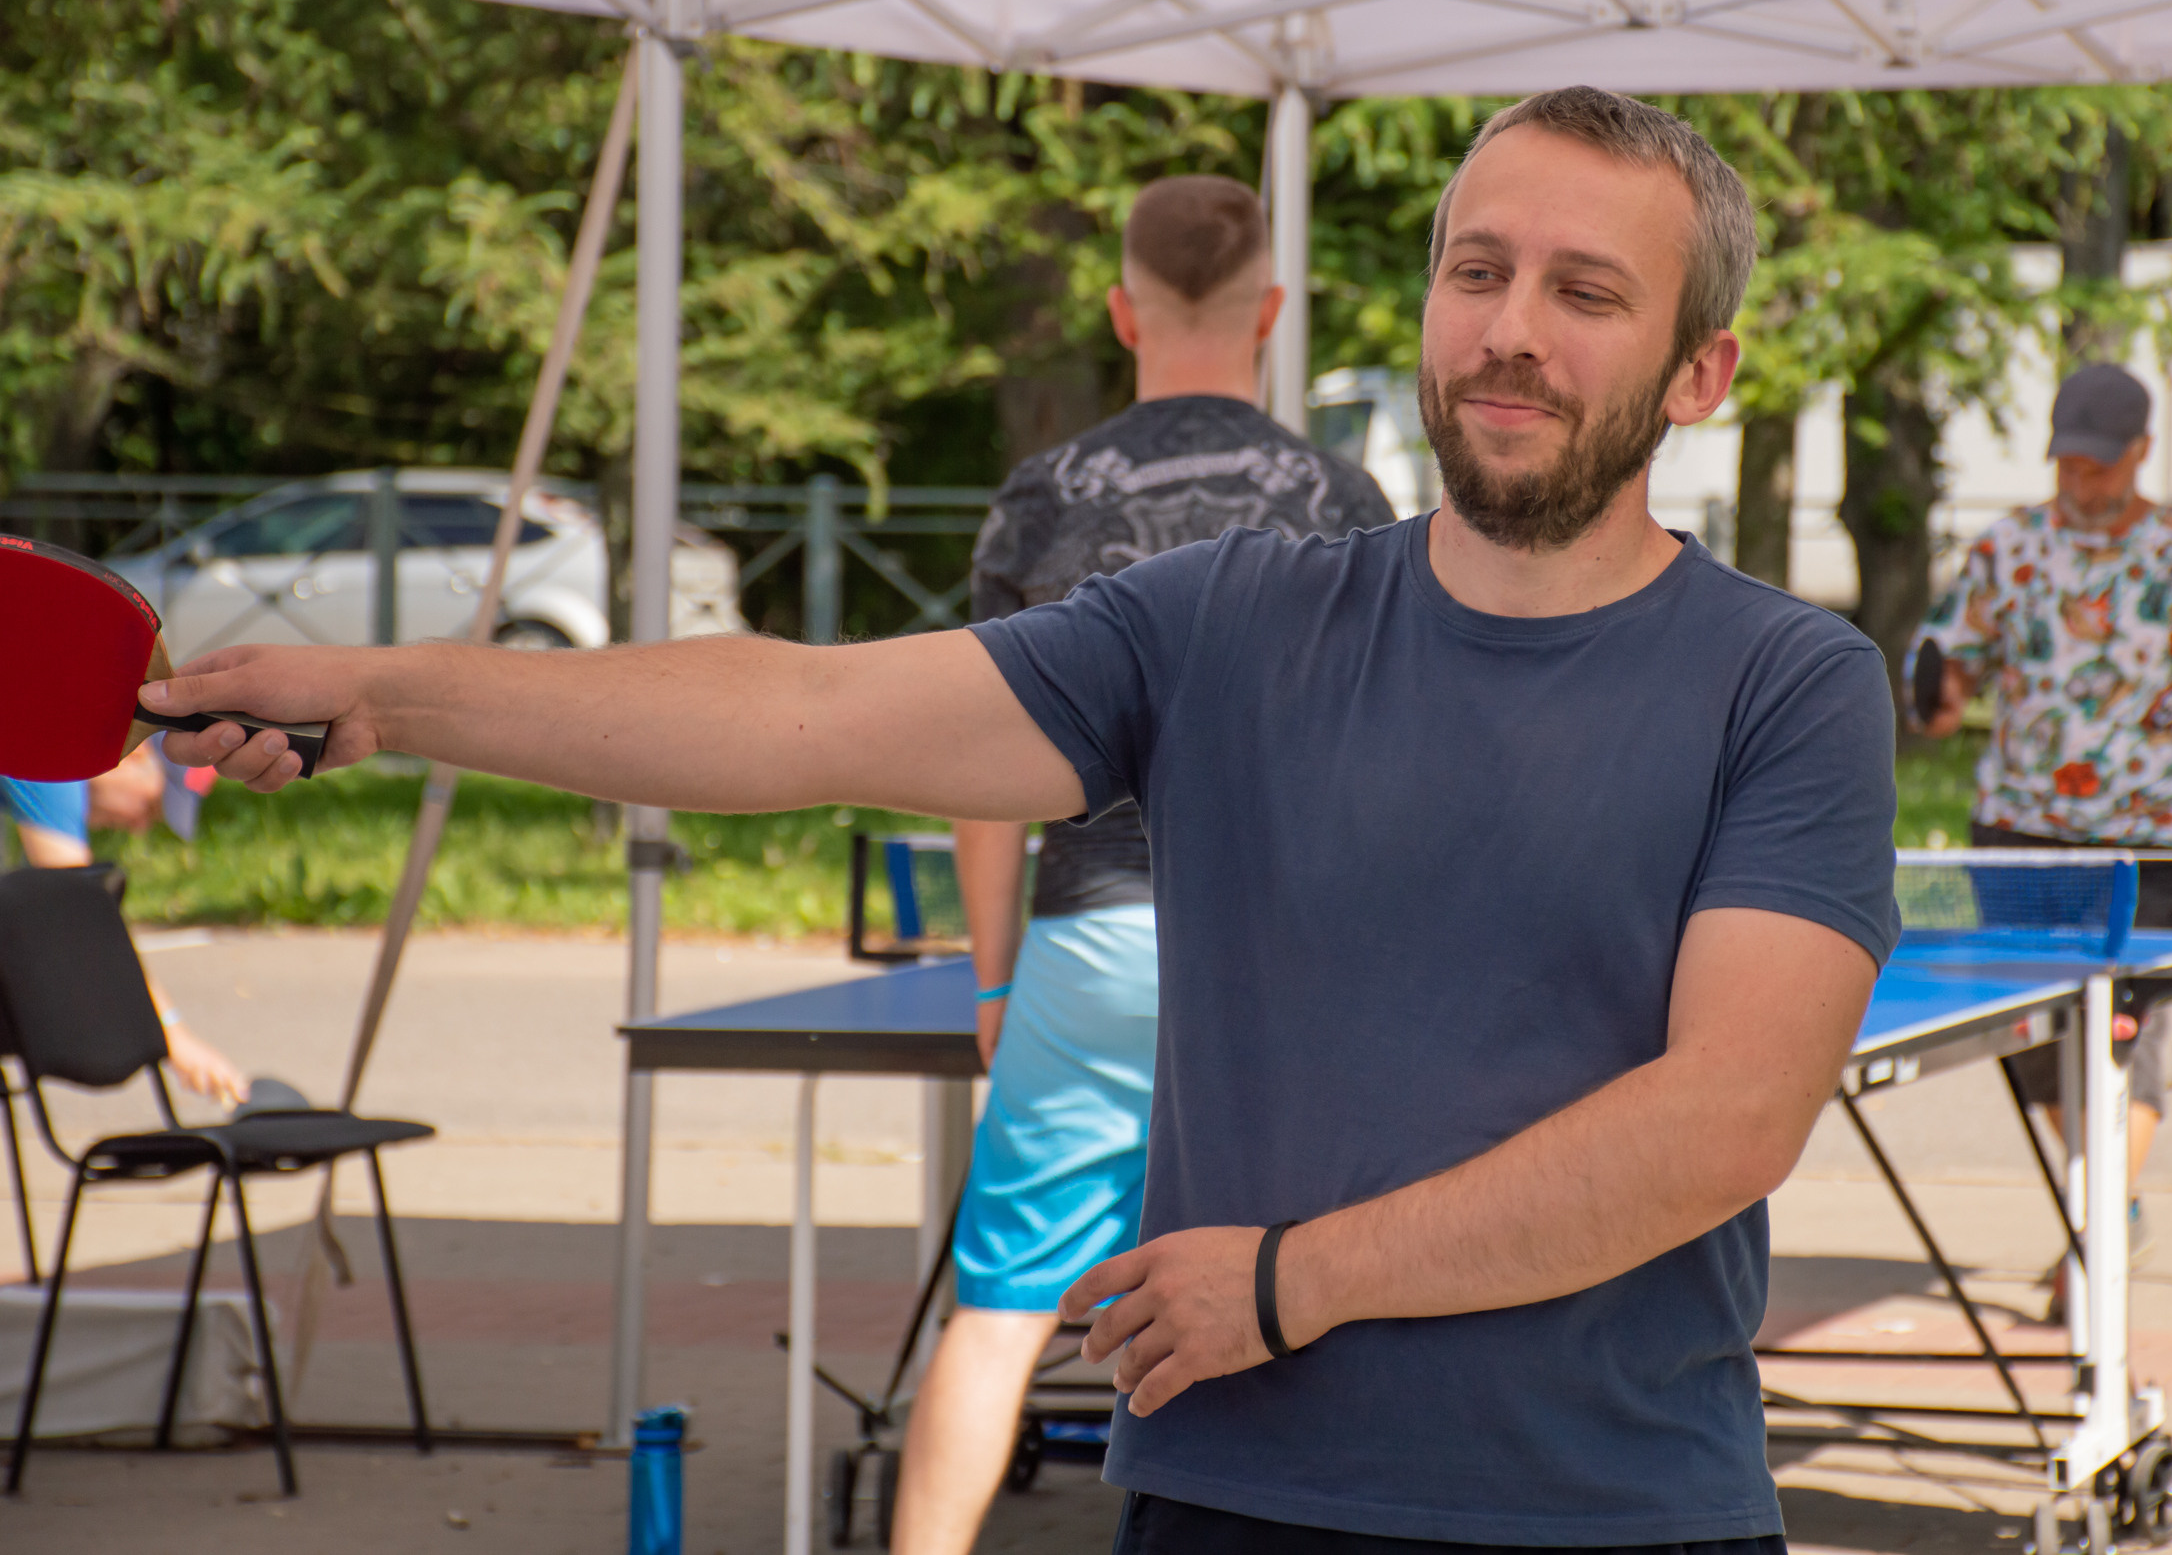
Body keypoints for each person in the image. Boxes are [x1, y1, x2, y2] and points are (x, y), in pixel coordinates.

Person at [154, 85, 1899, 1552]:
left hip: (1619, 1513)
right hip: (1234, 1497)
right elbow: (801, 710)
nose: (1511, 327)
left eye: (1587, 291)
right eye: (1478, 269)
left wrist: (1288, 1284)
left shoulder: (1788, 680)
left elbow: (1723, 1120)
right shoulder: (1227, 619)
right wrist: (390, 695)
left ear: (1700, 373)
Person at [903, 174, 1392, 1555]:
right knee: (1293, 1299)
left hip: (1094, 941)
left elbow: (977, 773)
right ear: (1271, 312)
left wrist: (995, 982)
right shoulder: (1342, 496)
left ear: (1122, 312)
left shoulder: (1041, 496)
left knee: (999, 1310)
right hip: (1286, 962)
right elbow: (1381, 757)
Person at [1915, 364, 2172, 1310]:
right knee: (2029, 1041)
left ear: (2140, 453)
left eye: (2097, 466)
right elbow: (1949, 672)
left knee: (2127, 1034)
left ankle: (2096, 1242)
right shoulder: (2008, 549)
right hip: (2020, 832)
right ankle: (2111, 1202)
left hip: (2146, 840)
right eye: (2066, 464)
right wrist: (1940, 698)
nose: (2079, 483)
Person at [1, 748, 247, 1106]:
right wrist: (172, 1033)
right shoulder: (53, 764)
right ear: (135, 757)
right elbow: (79, 913)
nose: (140, 827)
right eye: (150, 806)